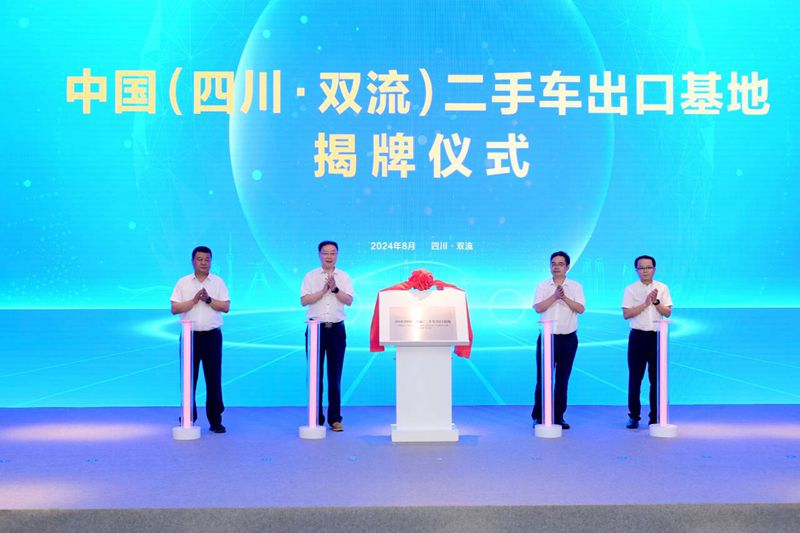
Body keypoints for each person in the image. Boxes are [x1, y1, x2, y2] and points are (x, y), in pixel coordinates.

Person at [170, 246, 230, 434]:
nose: (204, 262)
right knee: (189, 379)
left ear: (211, 261)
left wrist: (209, 299)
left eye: (207, 259)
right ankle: (188, 417)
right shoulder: (183, 282)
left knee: (214, 379)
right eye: (200, 259)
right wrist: (194, 300)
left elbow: (226, 307)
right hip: (190, 337)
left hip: (212, 336)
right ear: (193, 261)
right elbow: (175, 309)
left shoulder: (218, 282)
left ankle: (215, 420)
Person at [301, 241, 354, 432]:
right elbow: (304, 300)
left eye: (333, 253)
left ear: (337, 255)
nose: (329, 256)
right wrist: (323, 291)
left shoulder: (344, 276)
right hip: (316, 329)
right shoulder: (310, 276)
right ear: (319, 254)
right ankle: (316, 417)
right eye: (325, 253)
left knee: (335, 375)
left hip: (337, 330)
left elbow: (349, 301)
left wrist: (335, 289)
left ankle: (335, 418)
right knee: (315, 375)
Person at [531, 251, 585, 429]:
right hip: (547, 339)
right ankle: (539, 416)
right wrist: (554, 297)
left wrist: (564, 297)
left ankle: (558, 416)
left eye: (560, 264)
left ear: (567, 267)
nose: (556, 267)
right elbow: (538, 308)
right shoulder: (543, 286)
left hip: (568, 339)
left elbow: (580, 309)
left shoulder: (575, 286)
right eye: (553, 263)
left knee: (562, 380)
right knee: (543, 379)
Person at [622, 255, 673, 429]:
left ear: (654, 269)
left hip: (657, 337)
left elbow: (667, 313)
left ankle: (654, 417)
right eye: (641, 268)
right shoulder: (630, 289)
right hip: (637, 337)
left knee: (656, 379)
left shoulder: (663, 288)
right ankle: (634, 416)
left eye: (648, 267)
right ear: (636, 270)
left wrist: (656, 302)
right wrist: (645, 304)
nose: (645, 271)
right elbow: (626, 314)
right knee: (635, 378)